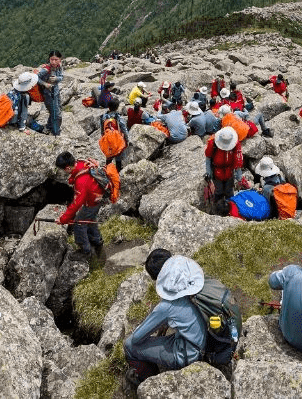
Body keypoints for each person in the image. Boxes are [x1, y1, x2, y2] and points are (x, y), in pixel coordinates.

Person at [123, 250, 206, 385]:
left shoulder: (166, 306)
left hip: (189, 354)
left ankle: (148, 380)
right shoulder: (191, 281)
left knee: (129, 346)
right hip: (202, 341)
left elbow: (137, 338)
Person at [55, 151, 105, 263]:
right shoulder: (81, 163)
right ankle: (96, 240)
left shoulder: (81, 181)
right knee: (90, 219)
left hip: (92, 203)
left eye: (63, 170)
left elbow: (77, 204)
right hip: (98, 198)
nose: (63, 172)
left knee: (79, 223)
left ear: (67, 168)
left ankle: (85, 251)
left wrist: (63, 219)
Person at [204, 126, 242, 216]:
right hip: (217, 173)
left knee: (229, 192)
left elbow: (238, 162)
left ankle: (230, 211)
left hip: (229, 172)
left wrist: (239, 177)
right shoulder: (212, 144)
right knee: (218, 192)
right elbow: (208, 158)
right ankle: (219, 211)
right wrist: (208, 173)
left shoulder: (236, 146)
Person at [35, 51, 65, 136]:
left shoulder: (59, 67)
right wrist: (45, 84)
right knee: (56, 114)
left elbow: (61, 77)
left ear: (60, 59)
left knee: (56, 111)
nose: (54, 62)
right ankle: (56, 133)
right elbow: (36, 78)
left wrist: (57, 79)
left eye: (56, 59)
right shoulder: (46, 69)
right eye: (52, 59)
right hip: (48, 94)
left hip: (56, 91)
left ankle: (48, 127)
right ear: (49, 59)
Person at [99, 100, 129, 170]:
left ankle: (107, 169)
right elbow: (124, 129)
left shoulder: (103, 117)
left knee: (109, 156)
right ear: (117, 108)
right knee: (118, 156)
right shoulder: (118, 117)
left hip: (107, 139)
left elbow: (102, 130)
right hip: (116, 139)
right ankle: (118, 171)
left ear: (108, 107)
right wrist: (127, 140)